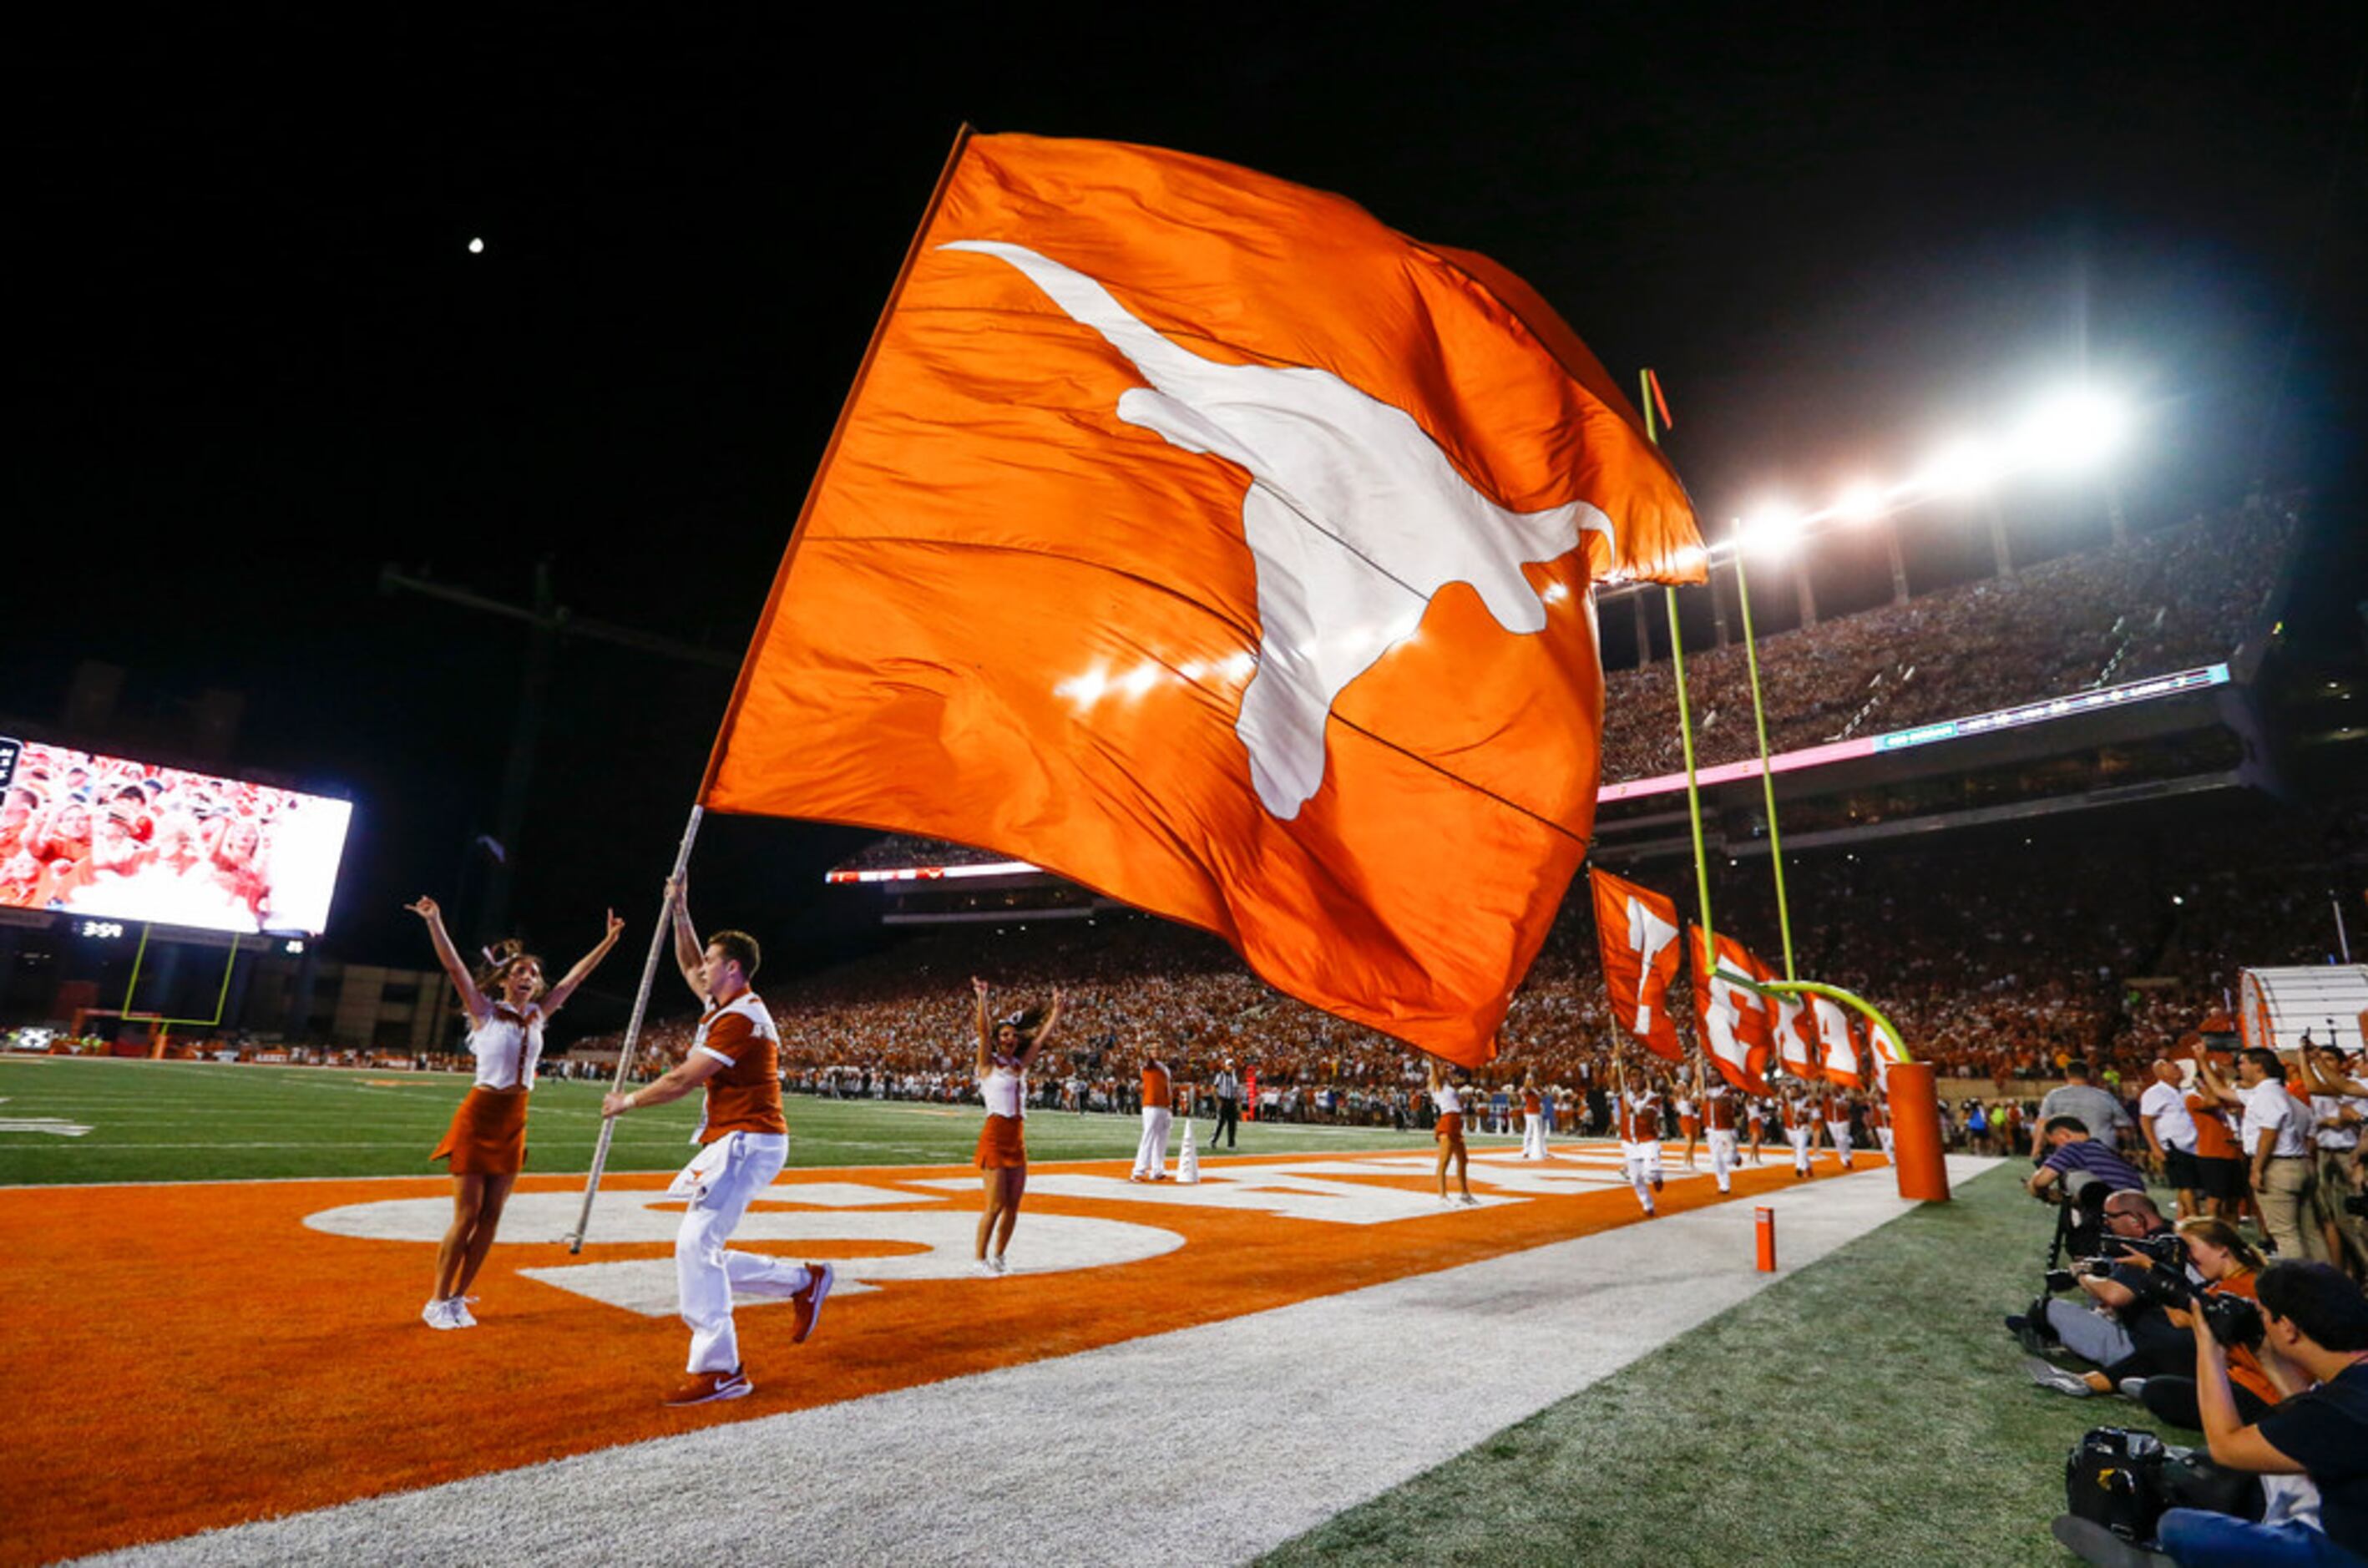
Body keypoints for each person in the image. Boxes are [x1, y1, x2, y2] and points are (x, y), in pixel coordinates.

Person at [601, 879, 833, 1405]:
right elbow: (687, 965)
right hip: (737, 1138)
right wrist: (681, 911)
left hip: (749, 1140)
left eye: (711, 960)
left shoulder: (741, 1019)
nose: (701, 967)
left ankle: (721, 1368)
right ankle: (801, 1280)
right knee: (701, 1251)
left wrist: (628, 1103)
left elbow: (683, 1079)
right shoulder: (723, 1005)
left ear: (733, 968)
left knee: (694, 1246)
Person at [409, 893, 622, 1330]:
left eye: (535, 973)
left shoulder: (539, 1017)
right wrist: (435, 921)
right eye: (521, 971)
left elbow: (576, 979)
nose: (529, 976)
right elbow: (454, 968)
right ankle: (437, 1299)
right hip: (480, 1114)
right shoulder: (485, 1013)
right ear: (505, 980)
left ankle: (459, 1298)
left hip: (515, 1119)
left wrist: (609, 941)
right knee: (466, 1215)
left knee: (492, 1217)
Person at [2147, 1262, 2368, 1566]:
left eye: (2263, 1315)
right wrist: (2267, 1356)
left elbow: (2226, 1448)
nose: (2260, 1322)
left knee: (2179, 1527)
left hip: (2348, 1553)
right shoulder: (2350, 1388)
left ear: (2288, 1328)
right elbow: (2318, 1428)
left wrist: (2209, 1350)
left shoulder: (2336, 1410)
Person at [972, 974, 1064, 1274]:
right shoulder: (987, 1066)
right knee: (994, 1205)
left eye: (1013, 1035)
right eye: (1005, 1035)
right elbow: (983, 1032)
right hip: (995, 1137)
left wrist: (1057, 1012)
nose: (1010, 1039)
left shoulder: (1018, 1066)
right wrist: (982, 998)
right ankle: (980, 1259)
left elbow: (1038, 1040)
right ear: (999, 1040)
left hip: (1017, 1138)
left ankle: (999, 1255)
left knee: (1013, 1206)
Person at [2200, 1050, 2322, 1262]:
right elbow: (2220, 1091)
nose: (2239, 1067)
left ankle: (2302, 1288)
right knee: (2311, 1233)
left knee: (2286, 1234)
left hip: (2276, 1166)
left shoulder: (2267, 1096)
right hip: (2300, 1163)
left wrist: (2257, 1168)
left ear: (2259, 1066)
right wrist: (2202, 1061)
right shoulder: (2282, 1095)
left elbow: (2269, 1132)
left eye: (2243, 1062)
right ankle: (2327, 1281)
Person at [2027, 1115, 2150, 1202]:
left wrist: (2035, 1188)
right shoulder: (2106, 1151)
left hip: (2112, 1214)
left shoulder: (2074, 1148)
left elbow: (2041, 1181)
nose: (2056, 1150)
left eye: (2054, 1144)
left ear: (2064, 1135)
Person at [2141, 1058, 2205, 1220]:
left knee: (2187, 1186)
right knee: (2186, 1186)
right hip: (2174, 1146)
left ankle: (2181, 1220)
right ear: (2162, 1072)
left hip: (2194, 1145)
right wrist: (2155, 1147)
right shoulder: (2154, 1093)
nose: (2180, 1070)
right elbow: (2146, 1120)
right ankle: (2194, 1220)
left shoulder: (2186, 1091)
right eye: (2174, 1067)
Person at [2037, 1058, 2136, 1156]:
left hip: (2068, 1153)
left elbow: (2042, 1124)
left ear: (2066, 1074)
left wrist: (2036, 1149)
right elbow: (2126, 1125)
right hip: (2102, 1151)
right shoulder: (2105, 1097)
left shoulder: (2054, 1096)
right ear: (2089, 1075)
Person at [1612, 1045, 1663, 1217]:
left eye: (1638, 1076)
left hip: (1647, 1139)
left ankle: (1657, 1178)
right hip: (1629, 1141)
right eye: (1631, 1076)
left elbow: (1650, 1114)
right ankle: (1647, 1205)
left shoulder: (1652, 1096)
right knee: (1635, 1179)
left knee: (1651, 1173)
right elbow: (1613, 1083)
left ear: (1644, 1078)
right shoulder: (1624, 1094)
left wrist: (1635, 1110)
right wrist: (1614, 1061)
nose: (1635, 1079)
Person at [1428, 1056, 1475, 1206]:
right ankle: (1442, 1196)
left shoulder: (1449, 1086)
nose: (1448, 1070)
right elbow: (1435, 1071)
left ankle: (1465, 1193)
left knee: (1463, 1160)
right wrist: (1432, 1058)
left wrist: (1464, 1098)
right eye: (1445, 1068)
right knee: (1444, 1161)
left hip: (1456, 1123)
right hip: (1447, 1122)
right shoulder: (1437, 1084)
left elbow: (1458, 1104)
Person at [1697, 1055, 1739, 1196]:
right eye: (1711, 1075)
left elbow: (1725, 1100)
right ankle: (1724, 1185)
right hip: (1711, 1129)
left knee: (1728, 1159)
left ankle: (1735, 1156)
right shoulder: (1705, 1090)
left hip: (1726, 1129)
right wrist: (1698, 1065)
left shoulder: (1727, 1090)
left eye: (1716, 1075)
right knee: (1716, 1159)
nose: (1712, 1078)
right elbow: (1695, 1096)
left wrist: (1711, 1099)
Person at [1131, 1051, 1174, 1182]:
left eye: (1158, 1048)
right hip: (1151, 1105)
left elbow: (1167, 1088)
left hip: (1164, 1106)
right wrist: (1141, 1046)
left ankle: (1157, 1170)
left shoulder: (1164, 1068)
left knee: (1162, 1139)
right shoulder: (1148, 1065)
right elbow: (1141, 1056)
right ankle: (1138, 1171)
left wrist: (1170, 1105)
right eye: (1153, 1048)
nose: (1157, 1051)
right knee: (1148, 1137)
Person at [1208, 1056, 1242, 1151]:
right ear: (1225, 1066)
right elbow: (1214, 1088)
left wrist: (1238, 1102)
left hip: (1232, 1101)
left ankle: (1231, 1144)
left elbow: (1236, 1090)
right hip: (1223, 1100)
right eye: (1229, 1065)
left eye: (1232, 1066)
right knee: (1220, 1122)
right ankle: (1213, 1141)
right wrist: (1217, 1101)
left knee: (1232, 1124)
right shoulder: (1220, 1075)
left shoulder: (1234, 1077)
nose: (1231, 1067)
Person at [1520, 1072, 1550, 1161]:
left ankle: (1543, 1151)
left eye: (1532, 1079)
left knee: (1540, 1132)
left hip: (1537, 1112)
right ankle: (1526, 1151)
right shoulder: (1526, 1089)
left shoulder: (1536, 1089)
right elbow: (1524, 1091)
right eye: (1530, 1079)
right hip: (1530, 1113)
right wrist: (1528, 1083)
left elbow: (1541, 1096)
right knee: (1529, 1131)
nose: (1532, 1081)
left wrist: (1543, 1092)